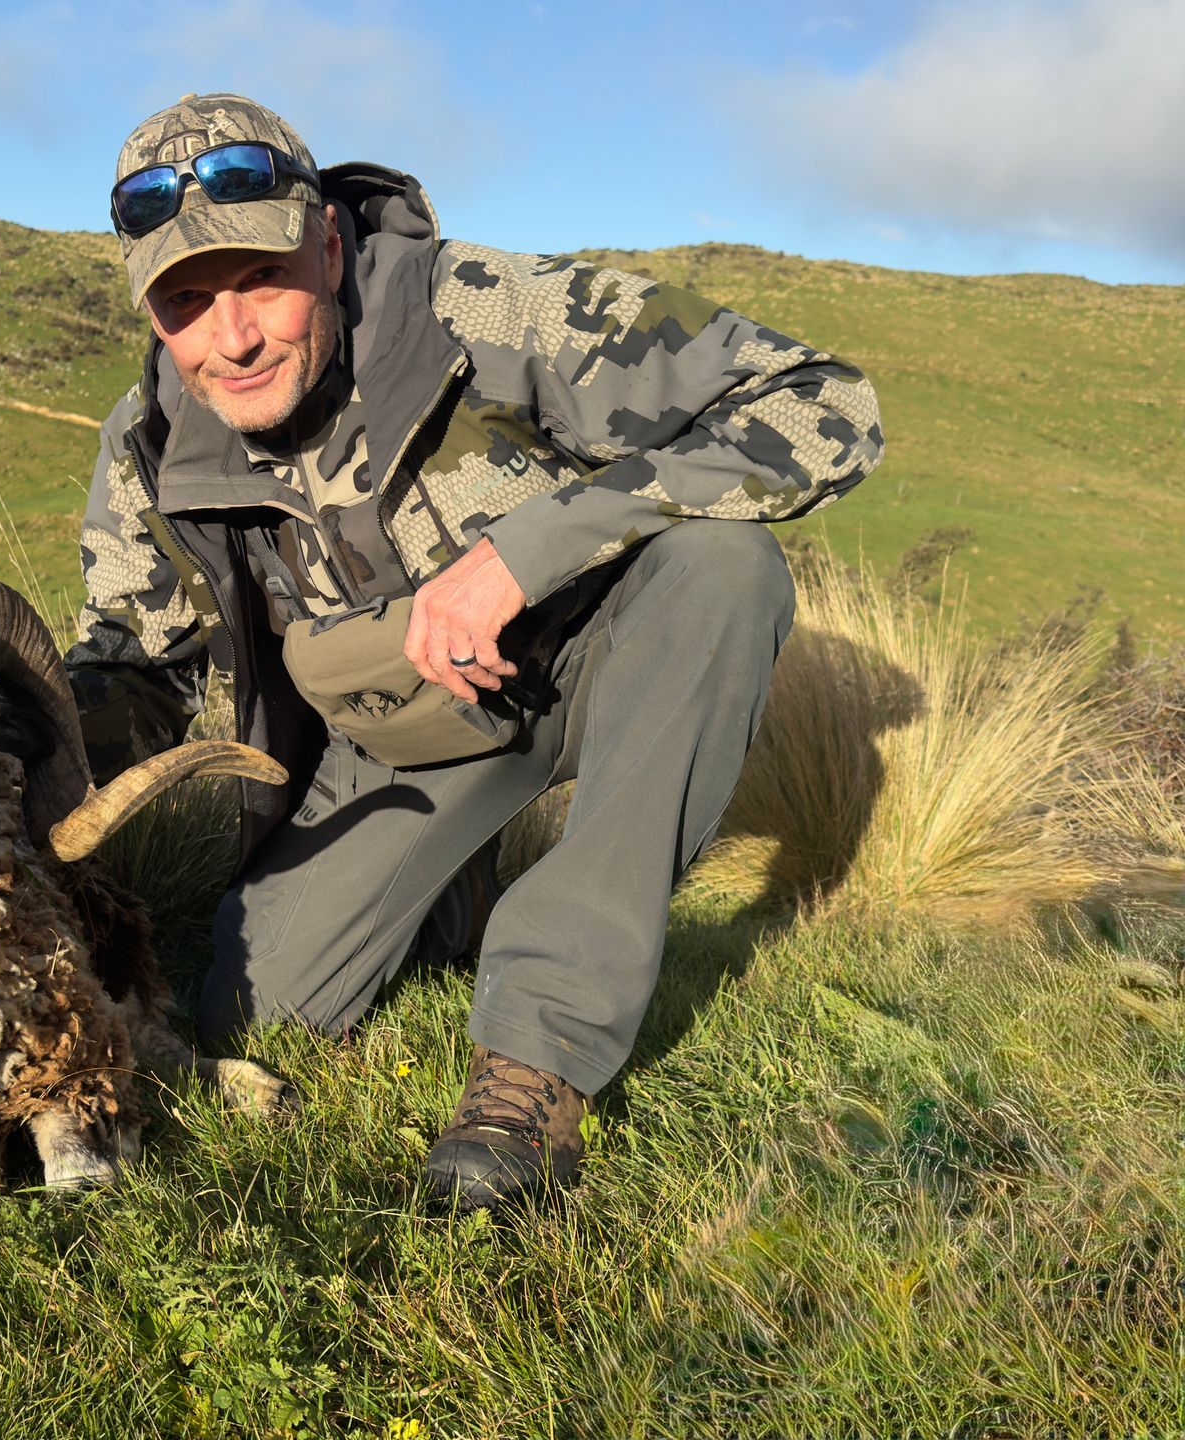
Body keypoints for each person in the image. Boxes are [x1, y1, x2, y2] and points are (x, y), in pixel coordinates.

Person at [63, 93, 884, 1211]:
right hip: (411, 733)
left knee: (722, 573)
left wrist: (525, 553)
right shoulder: (151, 441)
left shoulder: (493, 311)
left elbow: (821, 404)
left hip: (609, 658)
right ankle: (456, 891)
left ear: (328, 239)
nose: (234, 337)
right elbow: (135, 666)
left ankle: (535, 1063)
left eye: (262, 279)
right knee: (254, 1017)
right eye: (187, 303)